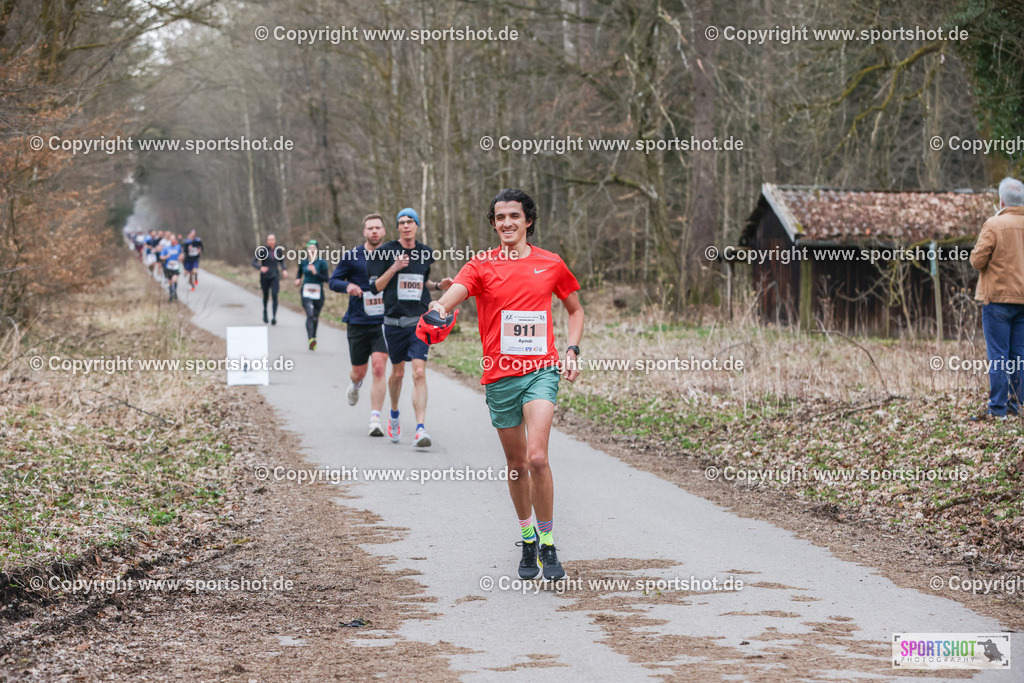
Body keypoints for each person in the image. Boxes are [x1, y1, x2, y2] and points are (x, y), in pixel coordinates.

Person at [423, 188, 583, 581]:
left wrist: (572, 349)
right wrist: (439, 309)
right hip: (499, 376)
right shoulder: (481, 265)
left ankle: (547, 543)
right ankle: (527, 537)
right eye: (500, 217)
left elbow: (575, 309)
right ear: (493, 224)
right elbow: (452, 296)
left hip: (541, 371)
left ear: (528, 220)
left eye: (514, 215)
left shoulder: (551, 263)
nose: (507, 223)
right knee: (515, 466)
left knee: (537, 458)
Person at [366, 208, 452, 447]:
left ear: (416, 225)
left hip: (419, 322)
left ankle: (420, 429)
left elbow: (420, 281)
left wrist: (437, 285)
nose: (406, 226)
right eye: (401, 222)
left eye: (410, 222)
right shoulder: (385, 252)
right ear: (397, 228)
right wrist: (394, 267)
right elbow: (375, 288)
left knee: (418, 372)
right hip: (393, 322)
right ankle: (393, 413)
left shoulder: (425, 253)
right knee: (398, 373)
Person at [329, 213, 389, 436]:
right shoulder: (352, 256)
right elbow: (333, 280)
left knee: (379, 366)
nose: (374, 231)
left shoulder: (392, 256)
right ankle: (355, 384)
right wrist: (347, 287)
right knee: (359, 372)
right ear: (364, 232)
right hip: (357, 322)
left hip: (383, 322)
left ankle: (375, 419)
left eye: (378, 228)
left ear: (383, 231)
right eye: (370, 228)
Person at [970, 176, 1024, 420]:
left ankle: (998, 409)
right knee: (1019, 354)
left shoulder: (993, 224)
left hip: (998, 301)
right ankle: (1018, 404)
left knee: (998, 355)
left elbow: (977, 261)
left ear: (1001, 201)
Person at [295, 239, 330, 350]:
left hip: (318, 292)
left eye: (313, 248)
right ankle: (310, 338)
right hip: (306, 291)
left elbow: (326, 279)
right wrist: (298, 279)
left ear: (317, 250)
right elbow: (299, 273)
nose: (311, 250)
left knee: (315, 316)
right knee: (309, 314)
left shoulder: (322, 262)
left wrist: (316, 273)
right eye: (309, 248)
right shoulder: (303, 262)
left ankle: (313, 338)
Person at [252, 234, 288, 325]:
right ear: (267, 241)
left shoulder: (278, 250)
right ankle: (265, 311)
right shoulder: (263, 250)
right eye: (269, 240)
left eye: (272, 239)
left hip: (275, 275)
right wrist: (260, 268)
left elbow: (281, 261)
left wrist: (284, 269)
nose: (271, 241)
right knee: (266, 296)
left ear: (275, 240)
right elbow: (253, 262)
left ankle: (274, 317)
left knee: (275, 295)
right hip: (265, 276)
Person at [158, 234, 184, 302]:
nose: (173, 240)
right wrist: (165, 257)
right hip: (168, 266)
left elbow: (182, 254)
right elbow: (161, 257)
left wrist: (181, 257)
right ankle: (171, 295)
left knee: (175, 279)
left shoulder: (178, 247)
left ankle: (174, 292)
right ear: (169, 240)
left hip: (176, 266)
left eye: (174, 239)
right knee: (170, 282)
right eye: (171, 239)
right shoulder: (166, 248)